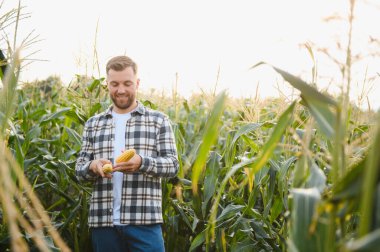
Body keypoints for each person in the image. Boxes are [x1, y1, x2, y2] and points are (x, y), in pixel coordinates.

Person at [75, 55, 179, 252]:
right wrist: (92, 166)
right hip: (103, 223)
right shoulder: (93, 124)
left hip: (144, 220)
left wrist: (142, 163)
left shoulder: (158, 121)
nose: (120, 90)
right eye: (114, 84)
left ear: (137, 83)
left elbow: (173, 165)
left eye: (127, 83)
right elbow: (79, 169)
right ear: (107, 84)